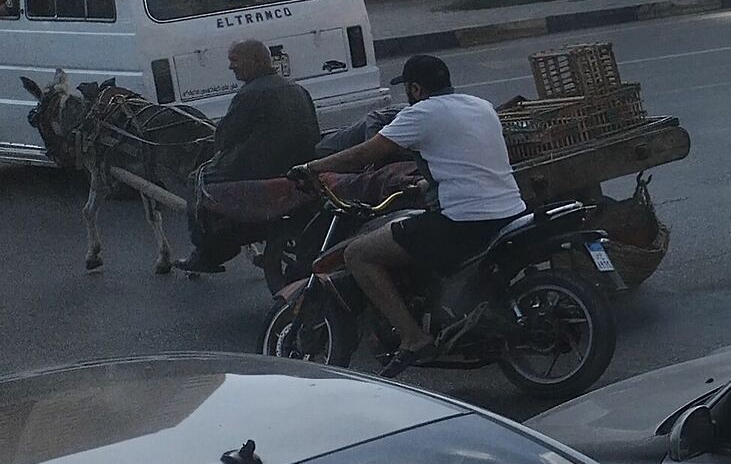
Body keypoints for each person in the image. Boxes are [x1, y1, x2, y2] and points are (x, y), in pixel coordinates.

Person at [297, 54, 527, 356]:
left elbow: (362, 155)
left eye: (407, 87)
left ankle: (413, 337)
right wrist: (422, 184)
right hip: (511, 212)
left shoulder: (422, 113)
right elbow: (467, 162)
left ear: (416, 89)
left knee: (358, 254)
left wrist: (312, 167)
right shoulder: (480, 105)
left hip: (463, 223)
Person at [175, 38, 318, 274]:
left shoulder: (250, 94)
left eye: (235, 60)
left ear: (256, 60)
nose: (231, 67)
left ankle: (206, 251)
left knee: (195, 180)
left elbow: (224, 138)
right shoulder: (296, 87)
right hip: (300, 161)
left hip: (259, 167)